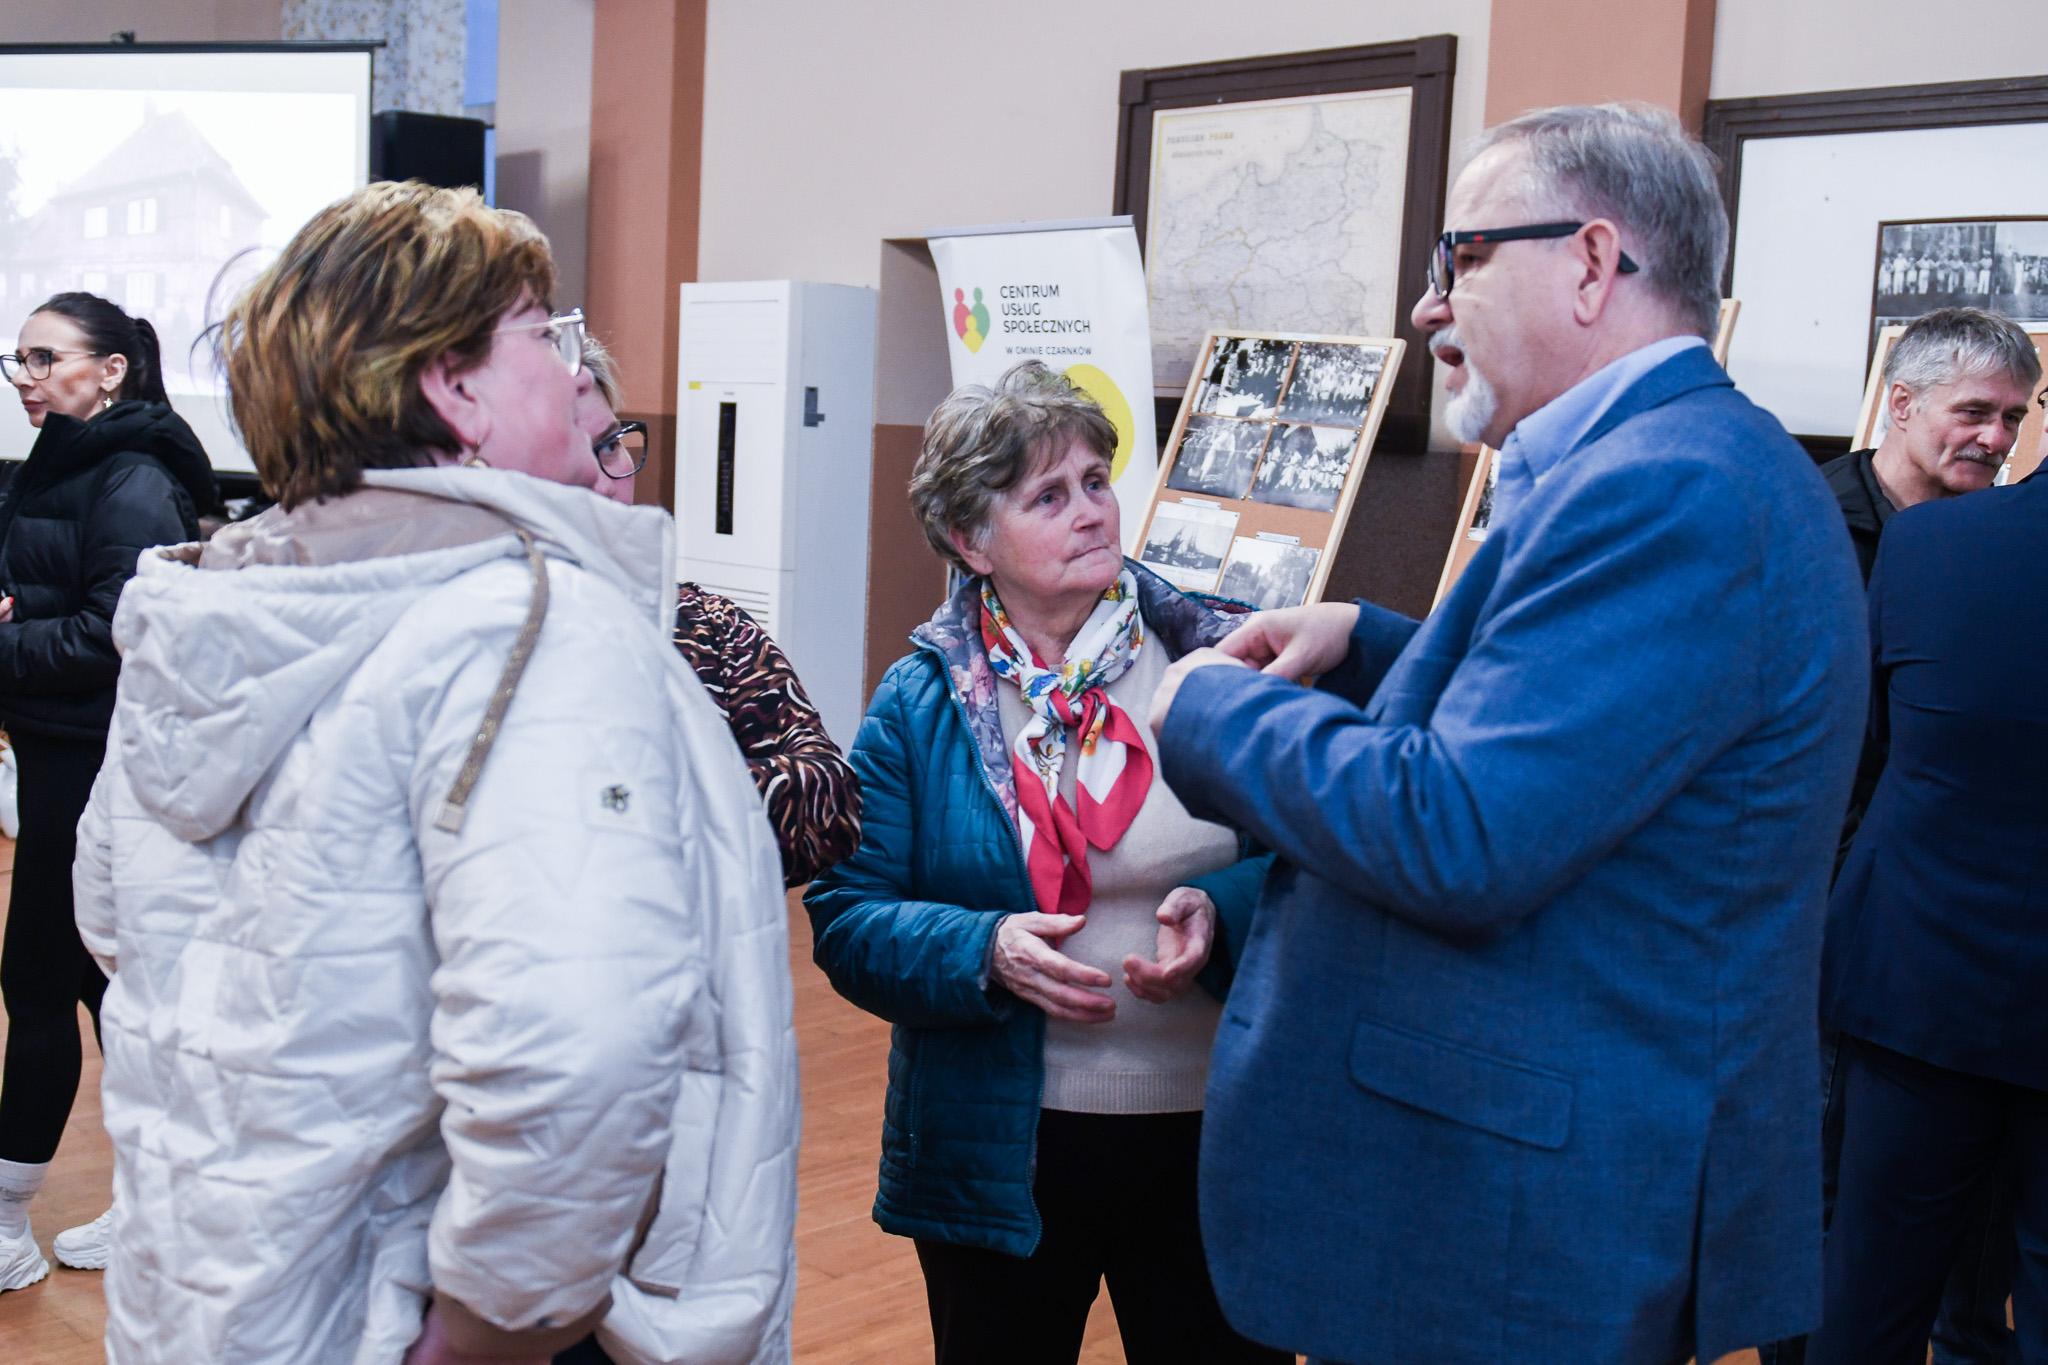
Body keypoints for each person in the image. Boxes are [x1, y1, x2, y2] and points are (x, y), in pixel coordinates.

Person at [1145, 104, 1869, 1364]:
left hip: (1520, 1224)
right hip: (1517, 1188)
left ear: (1590, 263)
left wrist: (1206, 708)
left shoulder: (1668, 487)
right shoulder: (1674, 460)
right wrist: (1370, 647)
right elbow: (1602, 736)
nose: (1427, 306)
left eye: (1461, 257)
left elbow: (1460, 831)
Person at [68, 182, 795, 1365]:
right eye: (543, 337)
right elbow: (576, 1050)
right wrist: (489, 1332)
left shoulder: (208, 617)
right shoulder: (529, 628)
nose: (573, 372)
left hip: (216, 1293)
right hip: (410, 1315)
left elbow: (112, 919)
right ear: (454, 389)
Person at [804, 361, 1286, 1365]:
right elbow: (847, 914)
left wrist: (1221, 908)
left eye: (1096, 481)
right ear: (970, 540)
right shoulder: (919, 702)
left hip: (1214, 1139)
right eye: (1048, 496)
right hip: (998, 1148)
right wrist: (983, 949)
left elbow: (1309, 864)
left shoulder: (1224, 662)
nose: (1091, 512)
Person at [1761, 310, 2040, 1365]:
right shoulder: (1803, 524)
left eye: (2012, 417)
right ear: (1901, 402)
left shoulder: (1979, 547)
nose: (1993, 437)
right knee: (1826, 1214)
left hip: (1921, 950)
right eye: (1973, 412)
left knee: (1951, 1252)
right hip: (1838, 931)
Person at [0, 292, 217, 1289]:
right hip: (56, 749)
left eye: (45, 358)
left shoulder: (133, 477)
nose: (26, 378)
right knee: (93, 988)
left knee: (48, 984)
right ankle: (146, 1205)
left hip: (93, 763)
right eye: (18, 360)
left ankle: (10, 1227)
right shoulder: (63, 461)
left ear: (113, 368)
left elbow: (114, 635)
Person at [576, 336, 861, 886]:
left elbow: (831, 799)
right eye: (573, 458)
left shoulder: (708, 623)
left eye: (610, 446)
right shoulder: (485, 632)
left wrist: (648, 800)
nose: (605, 483)